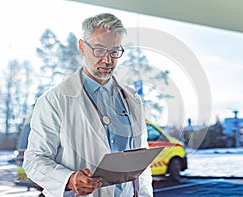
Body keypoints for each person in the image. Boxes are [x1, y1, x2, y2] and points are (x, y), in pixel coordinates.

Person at [23, 13, 153, 197]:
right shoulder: (54, 100)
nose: (108, 60)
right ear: (82, 47)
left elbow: (141, 162)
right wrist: (69, 179)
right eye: (99, 50)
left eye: (114, 52)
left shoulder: (132, 100)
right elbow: (34, 160)